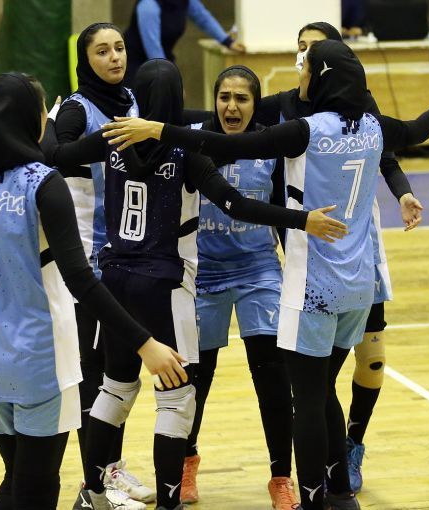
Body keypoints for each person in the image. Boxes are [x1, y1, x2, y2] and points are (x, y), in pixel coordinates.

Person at [102, 40, 429, 510]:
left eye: (305, 68)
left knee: (302, 396)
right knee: (314, 391)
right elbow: (416, 129)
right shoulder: (373, 125)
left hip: (303, 284)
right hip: (351, 284)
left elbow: (234, 148)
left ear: (323, 78)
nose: (299, 76)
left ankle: (302, 489)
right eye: (225, 98)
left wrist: (158, 128)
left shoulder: (304, 132)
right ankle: (337, 492)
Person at [44, 58, 347, 510]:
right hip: (165, 285)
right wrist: (303, 219)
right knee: (177, 399)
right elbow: (236, 204)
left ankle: (92, 492)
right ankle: (170, 502)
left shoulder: (111, 137)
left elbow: (58, 156)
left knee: (114, 389)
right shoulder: (186, 151)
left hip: (115, 282)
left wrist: (50, 120)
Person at [0, 72, 188, 510]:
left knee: (16, 477)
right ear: (33, 119)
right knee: (36, 488)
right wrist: (145, 343)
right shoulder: (43, 184)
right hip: (40, 362)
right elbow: (81, 279)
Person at [255, 20, 426, 494]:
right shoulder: (289, 107)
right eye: (301, 47)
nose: (304, 55)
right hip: (309, 249)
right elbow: (234, 119)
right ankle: (328, 469)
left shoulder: (358, 107)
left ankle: (351, 445)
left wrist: (403, 192)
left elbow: (388, 152)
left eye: (313, 48)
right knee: (316, 379)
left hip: (358, 246)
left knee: (370, 359)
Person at [40, 22, 153, 508]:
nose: (115, 57)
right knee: (93, 374)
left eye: (119, 48)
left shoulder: (133, 101)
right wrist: (104, 139)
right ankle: (95, 483)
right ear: (86, 60)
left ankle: (111, 469)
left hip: (129, 254)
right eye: (103, 51)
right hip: (89, 258)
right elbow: (52, 155)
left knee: (118, 374)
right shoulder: (75, 108)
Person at [177, 64, 298, 508]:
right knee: (196, 379)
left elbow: (282, 212)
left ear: (255, 103)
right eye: (224, 97)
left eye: (242, 98)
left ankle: (281, 477)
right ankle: (187, 459)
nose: (232, 106)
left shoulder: (270, 146)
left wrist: (297, 272)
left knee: (272, 377)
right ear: (214, 101)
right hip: (204, 274)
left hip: (258, 272)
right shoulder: (194, 141)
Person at [123, 0, 245, 85]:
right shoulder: (148, 6)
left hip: (162, 60)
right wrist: (169, 80)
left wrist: (228, 42)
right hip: (136, 64)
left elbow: (203, 17)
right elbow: (153, 48)